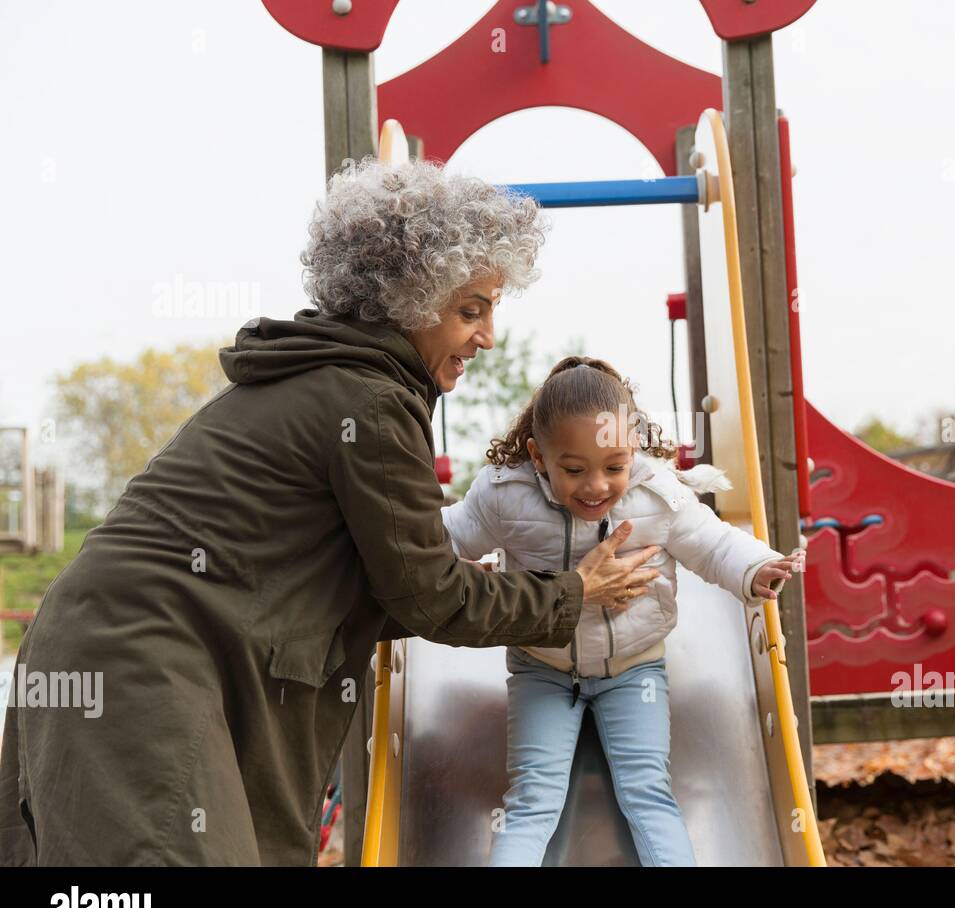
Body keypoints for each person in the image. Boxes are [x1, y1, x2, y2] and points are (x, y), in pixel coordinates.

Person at [0, 158, 659, 866]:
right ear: (409, 300)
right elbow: (431, 595)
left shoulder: (324, 381)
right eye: (471, 310)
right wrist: (572, 591)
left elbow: (391, 588)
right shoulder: (368, 402)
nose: (489, 335)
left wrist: (515, 587)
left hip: (120, 644)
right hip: (139, 661)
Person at [441, 356, 799, 866]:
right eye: (574, 469)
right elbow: (448, 535)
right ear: (538, 456)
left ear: (633, 450)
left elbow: (713, 542)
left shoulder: (656, 494)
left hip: (635, 671)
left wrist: (756, 567)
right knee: (531, 803)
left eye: (614, 467)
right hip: (543, 669)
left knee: (648, 795)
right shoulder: (506, 496)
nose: (596, 487)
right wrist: (402, 549)